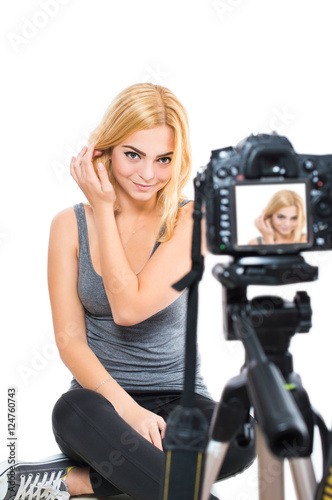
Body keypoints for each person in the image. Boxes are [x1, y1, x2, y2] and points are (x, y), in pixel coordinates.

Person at [0, 83, 255, 500]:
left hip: (180, 401)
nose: (148, 174)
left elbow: (129, 307)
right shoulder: (69, 226)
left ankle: (80, 481)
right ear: (106, 150)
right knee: (71, 410)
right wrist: (127, 410)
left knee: (242, 436)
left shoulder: (191, 220)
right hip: (99, 405)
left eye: (164, 159)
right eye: (133, 155)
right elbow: (69, 341)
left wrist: (102, 205)